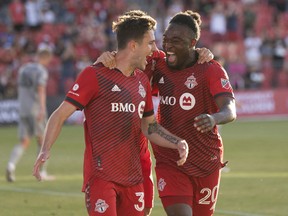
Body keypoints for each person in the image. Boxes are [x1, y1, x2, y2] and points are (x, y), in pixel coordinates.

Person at [33, 11, 189, 216]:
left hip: (134, 178)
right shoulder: (95, 74)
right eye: (150, 43)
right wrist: (45, 149)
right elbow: (60, 114)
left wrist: (177, 142)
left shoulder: (142, 81)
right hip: (101, 177)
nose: (154, 50)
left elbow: (150, 126)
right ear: (133, 45)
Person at [97, 10, 236, 216]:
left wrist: (214, 118)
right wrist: (108, 58)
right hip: (170, 160)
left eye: (176, 41)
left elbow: (229, 109)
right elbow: (128, 62)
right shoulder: (157, 64)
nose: (168, 45)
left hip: (206, 160)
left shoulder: (210, 69)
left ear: (192, 43)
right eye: (166, 40)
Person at [6, 48, 54, 182]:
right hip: (35, 109)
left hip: (23, 109)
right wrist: (42, 109)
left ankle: (11, 166)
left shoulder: (23, 69)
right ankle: (42, 173)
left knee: (24, 141)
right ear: (46, 58)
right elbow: (40, 89)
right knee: (44, 141)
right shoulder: (41, 71)